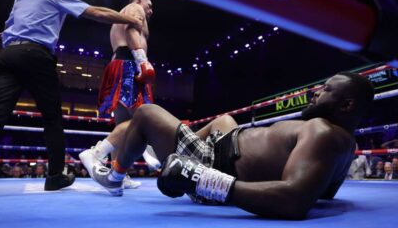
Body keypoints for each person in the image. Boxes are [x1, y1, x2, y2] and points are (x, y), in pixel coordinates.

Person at [91, 72, 374, 219]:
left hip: (215, 164)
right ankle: (164, 148)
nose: (316, 92)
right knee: (225, 119)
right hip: (224, 144)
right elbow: (324, 192)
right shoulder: (344, 142)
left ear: (346, 104)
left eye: (325, 90)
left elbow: (295, 200)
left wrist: (204, 180)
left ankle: (114, 177)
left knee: (145, 113)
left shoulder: (323, 132)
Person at [0, 0, 143, 191]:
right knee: (52, 119)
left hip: (8, 53)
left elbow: (5, 30)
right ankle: (55, 177)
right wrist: (131, 20)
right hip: (35, 54)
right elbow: (96, 12)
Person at [79, 0, 160, 189]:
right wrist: (142, 61)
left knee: (123, 124)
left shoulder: (123, 13)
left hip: (120, 63)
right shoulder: (135, 8)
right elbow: (132, 29)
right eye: (149, 5)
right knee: (144, 117)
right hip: (130, 63)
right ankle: (97, 153)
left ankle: (118, 174)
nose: (150, 10)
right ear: (139, 1)